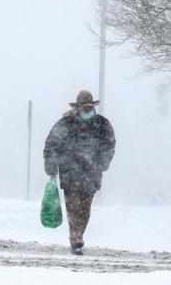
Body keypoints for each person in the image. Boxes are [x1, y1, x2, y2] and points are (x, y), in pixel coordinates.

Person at [43, 90, 116, 255]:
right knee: (73, 206)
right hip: (70, 172)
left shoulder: (102, 124)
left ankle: (79, 233)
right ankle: (75, 238)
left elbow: (110, 144)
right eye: (84, 108)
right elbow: (52, 143)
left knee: (85, 208)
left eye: (89, 107)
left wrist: (104, 161)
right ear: (77, 108)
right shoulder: (66, 123)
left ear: (93, 107)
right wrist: (50, 164)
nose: (86, 110)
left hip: (92, 173)